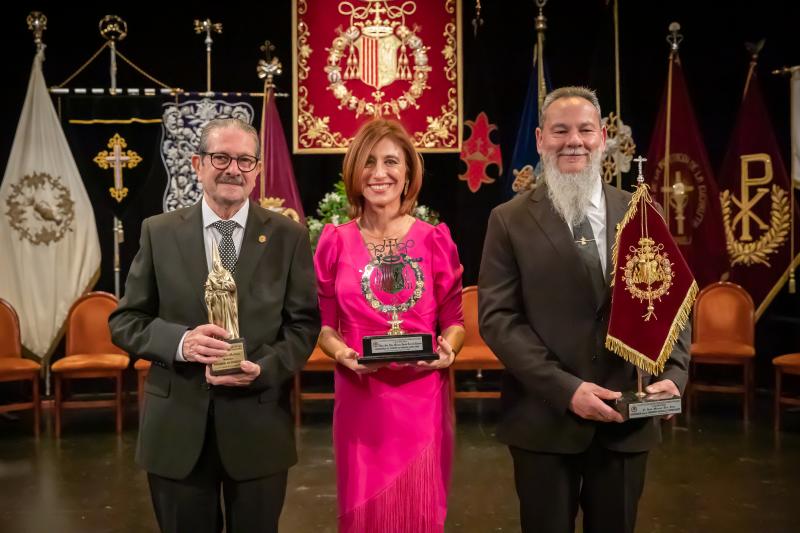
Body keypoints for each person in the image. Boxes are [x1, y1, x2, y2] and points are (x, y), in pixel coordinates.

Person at [478, 86, 690, 533]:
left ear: (602, 138)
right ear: (539, 139)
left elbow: (672, 304)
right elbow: (499, 320)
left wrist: (673, 375)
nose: (573, 140)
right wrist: (566, 388)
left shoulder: (643, 211)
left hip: (628, 422)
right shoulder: (508, 220)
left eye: (585, 130)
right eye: (560, 130)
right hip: (544, 420)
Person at [109, 118, 320, 533]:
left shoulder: (288, 236)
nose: (233, 169)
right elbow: (125, 321)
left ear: (257, 170)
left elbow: (303, 326)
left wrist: (266, 368)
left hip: (258, 429)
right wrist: (181, 342)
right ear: (197, 164)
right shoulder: (159, 232)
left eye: (245, 160)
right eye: (221, 157)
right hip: (177, 432)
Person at [314, 119, 465, 532]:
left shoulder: (435, 239)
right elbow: (324, 326)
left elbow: (454, 320)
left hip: (422, 398)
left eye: (391, 162)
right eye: (369, 162)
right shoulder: (334, 240)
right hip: (360, 398)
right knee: (363, 514)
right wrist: (342, 352)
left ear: (409, 173)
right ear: (354, 172)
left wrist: (449, 347)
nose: (379, 173)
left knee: (418, 512)